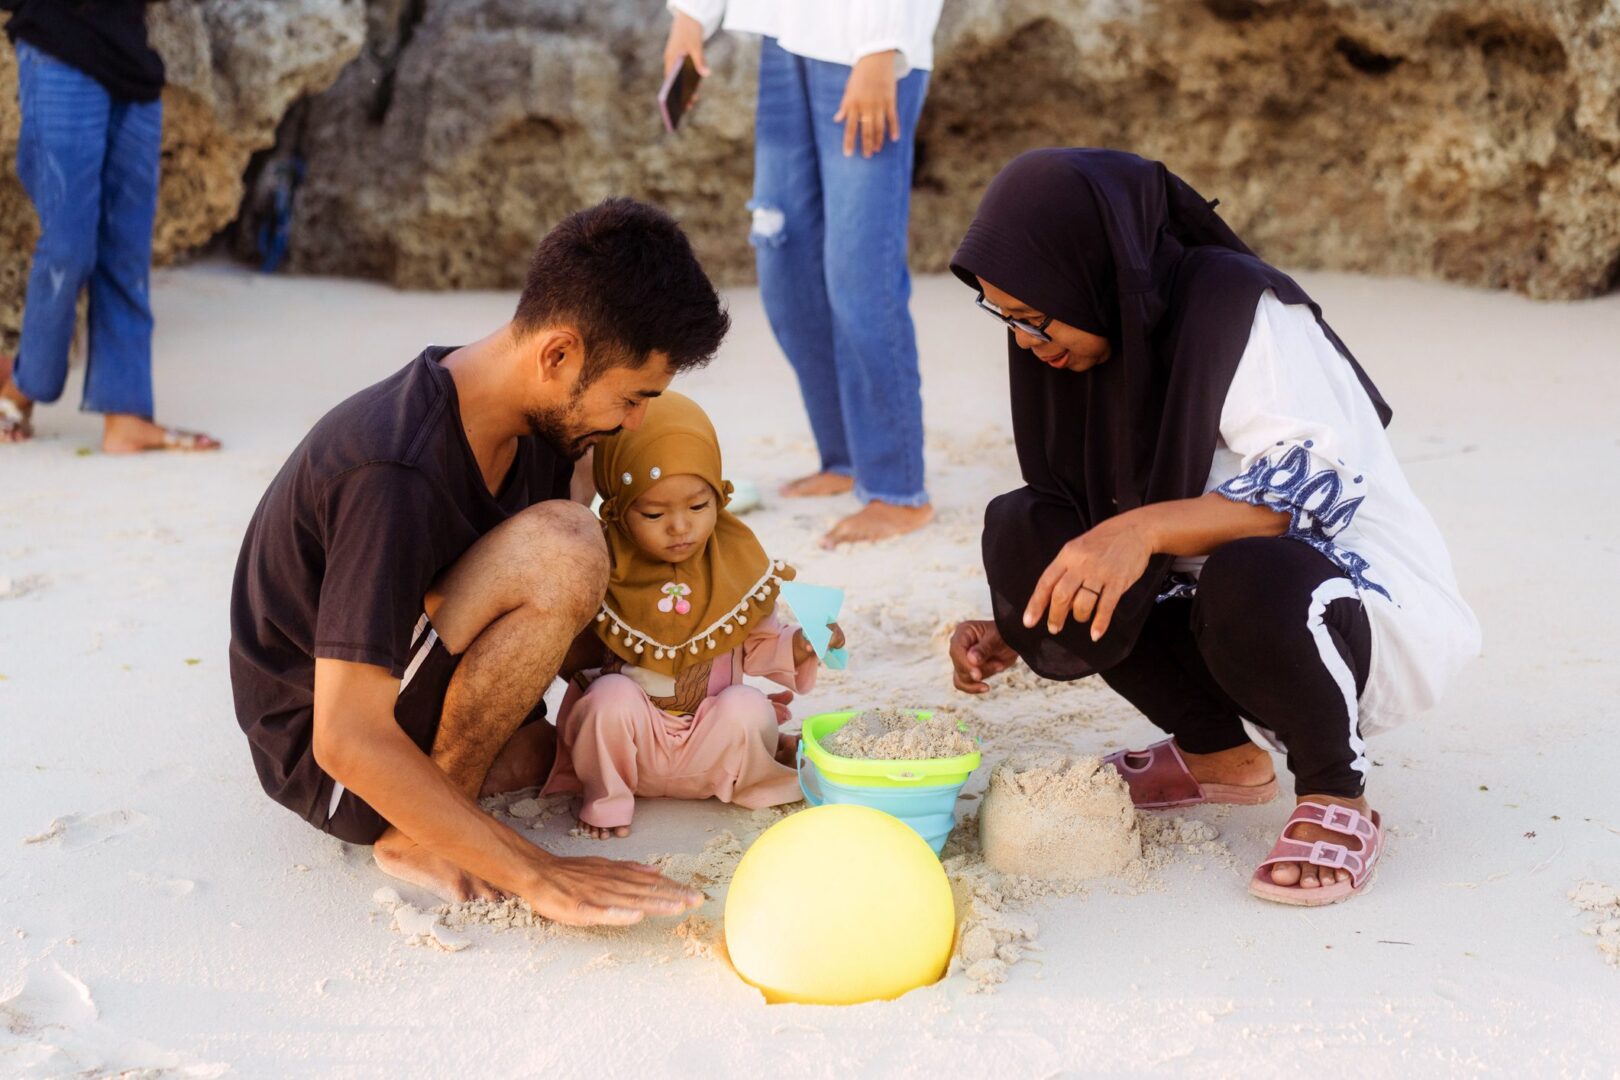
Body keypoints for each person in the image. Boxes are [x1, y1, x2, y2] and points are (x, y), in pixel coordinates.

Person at [945, 149, 1481, 906]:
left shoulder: (1241, 310)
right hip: (1203, 591)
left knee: (1250, 567)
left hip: (1337, 601)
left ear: (1089, 273)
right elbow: (1093, 509)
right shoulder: (1094, 342)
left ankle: (1336, 791)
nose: (1025, 340)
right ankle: (1221, 756)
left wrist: (1137, 533)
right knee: (1027, 527)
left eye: (1033, 316)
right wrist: (1022, 612)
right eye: (1002, 316)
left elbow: (1310, 495)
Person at [228, 199, 728, 925]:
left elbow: (559, 622)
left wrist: (724, 649)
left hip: (420, 674)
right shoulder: (392, 467)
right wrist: (537, 873)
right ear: (557, 354)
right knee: (567, 545)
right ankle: (413, 832)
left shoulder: (539, 425)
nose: (635, 420)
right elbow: (343, 738)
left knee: (550, 749)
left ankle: (451, 792)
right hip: (332, 754)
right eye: (631, 397)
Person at [663, 0, 943, 547]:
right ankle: (842, 456)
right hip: (784, 35)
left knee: (860, 274)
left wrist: (882, 43)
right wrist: (691, 14)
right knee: (785, 266)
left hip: (868, 42)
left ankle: (897, 488)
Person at [541, 392, 844, 838]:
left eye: (698, 507)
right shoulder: (604, 560)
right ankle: (606, 800)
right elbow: (567, 650)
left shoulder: (737, 564)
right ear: (620, 510)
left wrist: (800, 643)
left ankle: (754, 784)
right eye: (654, 512)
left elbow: (760, 647)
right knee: (609, 697)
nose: (680, 527)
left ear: (720, 498)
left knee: (747, 705)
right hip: (634, 749)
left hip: (710, 745)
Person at [0, 0, 219, 451]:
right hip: (55, 45)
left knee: (127, 255)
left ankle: (126, 416)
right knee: (68, 248)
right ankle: (23, 387)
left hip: (132, 62)